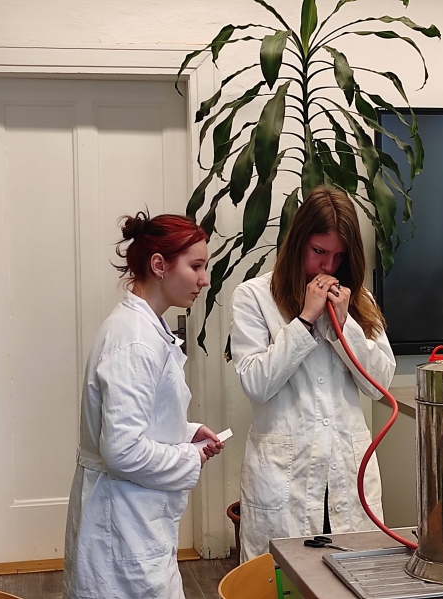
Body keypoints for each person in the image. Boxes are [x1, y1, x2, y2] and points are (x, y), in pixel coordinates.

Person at [229, 185, 396, 562]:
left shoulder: (359, 300)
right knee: (282, 579)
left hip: (346, 476)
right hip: (284, 479)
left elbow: (380, 384)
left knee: (354, 576)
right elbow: (256, 383)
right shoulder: (254, 296)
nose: (327, 266)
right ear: (298, 243)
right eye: (319, 251)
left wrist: (345, 325)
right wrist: (305, 321)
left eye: (338, 256)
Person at [64, 212, 224, 599]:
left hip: (133, 519)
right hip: (123, 525)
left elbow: (137, 417)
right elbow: (122, 450)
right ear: (159, 265)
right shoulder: (135, 340)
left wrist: (185, 432)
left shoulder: (145, 328)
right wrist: (188, 457)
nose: (204, 279)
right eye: (196, 267)